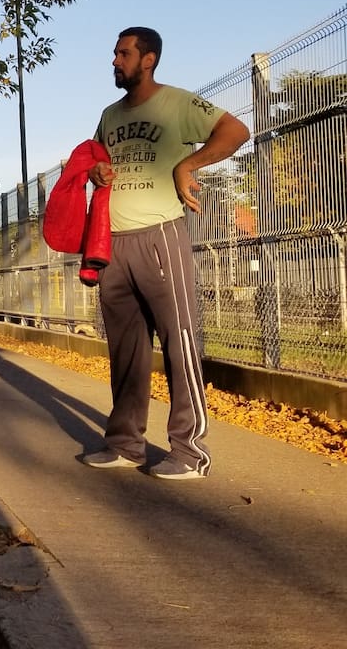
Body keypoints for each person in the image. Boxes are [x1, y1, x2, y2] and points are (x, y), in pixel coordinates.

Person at [81, 27, 250, 481]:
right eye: (115, 53)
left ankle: (189, 452)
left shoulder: (177, 103)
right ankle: (124, 444)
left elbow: (236, 130)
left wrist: (187, 164)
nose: (115, 61)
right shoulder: (109, 115)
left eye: (123, 53)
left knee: (180, 342)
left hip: (161, 235)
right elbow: (97, 159)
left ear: (148, 59)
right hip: (112, 242)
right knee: (126, 350)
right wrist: (97, 170)